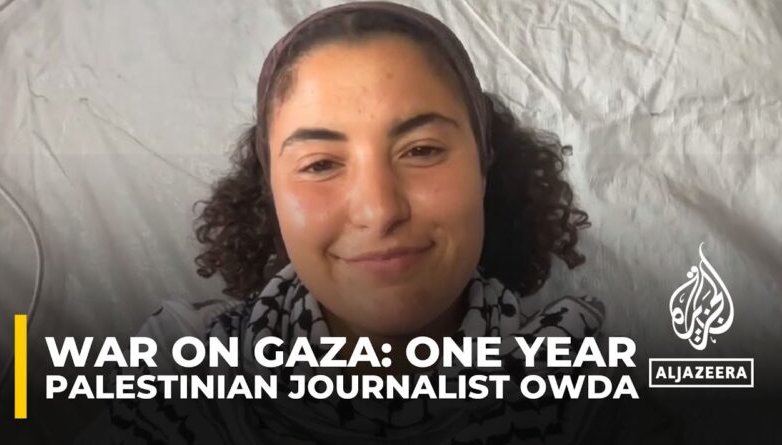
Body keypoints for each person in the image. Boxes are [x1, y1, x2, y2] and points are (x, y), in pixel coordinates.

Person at [97, 2, 680, 444]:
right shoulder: (177, 373)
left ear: (484, 167)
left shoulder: (591, 400)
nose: (379, 210)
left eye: (421, 151)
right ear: (269, 192)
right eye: (321, 164)